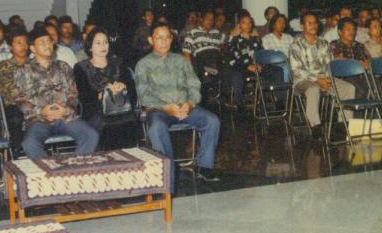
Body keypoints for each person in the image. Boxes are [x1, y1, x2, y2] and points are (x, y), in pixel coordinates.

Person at [134, 22, 221, 182]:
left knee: (212, 121)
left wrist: (190, 104)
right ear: (151, 40)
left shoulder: (181, 61)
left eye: (167, 37)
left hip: (185, 108)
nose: (164, 41)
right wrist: (166, 107)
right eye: (159, 38)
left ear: (172, 39)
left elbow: (195, 85)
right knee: (156, 128)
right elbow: (144, 95)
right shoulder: (143, 65)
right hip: (159, 110)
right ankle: (168, 173)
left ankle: (204, 167)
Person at [15, 27, 99, 159]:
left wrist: (66, 109)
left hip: (65, 116)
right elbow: (21, 100)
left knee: (91, 135)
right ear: (32, 48)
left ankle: (75, 167)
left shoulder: (63, 67)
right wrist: (41, 111)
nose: (47, 45)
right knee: (29, 143)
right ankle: (47, 169)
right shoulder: (23, 71)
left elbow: (73, 93)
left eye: (49, 41)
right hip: (38, 119)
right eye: (42, 42)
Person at [289, 13, 355, 134]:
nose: (313, 25)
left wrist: (326, 79)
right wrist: (317, 80)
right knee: (313, 89)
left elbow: (330, 64)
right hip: (303, 80)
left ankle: (343, 124)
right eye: (309, 23)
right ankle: (314, 126)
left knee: (348, 88)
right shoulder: (296, 44)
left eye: (315, 22)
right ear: (302, 26)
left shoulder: (323, 43)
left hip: (324, 78)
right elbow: (297, 70)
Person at [73, 27, 137, 149]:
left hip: (121, 109)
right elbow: (83, 98)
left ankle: (127, 158)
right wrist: (103, 93)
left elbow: (133, 92)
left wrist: (123, 87)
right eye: (98, 43)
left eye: (105, 42)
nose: (103, 46)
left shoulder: (119, 63)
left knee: (129, 121)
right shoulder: (81, 68)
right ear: (90, 47)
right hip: (95, 111)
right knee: (105, 124)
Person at [0, 25, 30, 157]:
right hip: (14, 105)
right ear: (10, 46)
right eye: (18, 43)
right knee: (16, 118)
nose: (23, 46)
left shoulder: (34, 63)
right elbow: (12, 91)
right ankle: (15, 153)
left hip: (34, 104)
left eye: (25, 42)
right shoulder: (5, 66)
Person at [225, 13, 262, 109]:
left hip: (256, 66)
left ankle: (277, 100)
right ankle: (238, 103)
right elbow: (234, 57)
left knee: (276, 70)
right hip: (241, 66)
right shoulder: (235, 40)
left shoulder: (256, 39)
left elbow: (261, 53)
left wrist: (259, 64)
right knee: (237, 73)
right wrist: (248, 66)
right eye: (244, 23)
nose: (247, 25)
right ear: (239, 25)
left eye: (249, 23)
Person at [330, 17, 371, 99]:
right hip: (344, 77)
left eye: (353, 29)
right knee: (361, 90)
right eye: (348, 29)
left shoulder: (359, 46)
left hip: (363, 75)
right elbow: (339, 63)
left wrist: (368, 64)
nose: (352, 32)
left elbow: (368, 61)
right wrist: (358, 64)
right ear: (340, 32)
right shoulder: (334, 45)